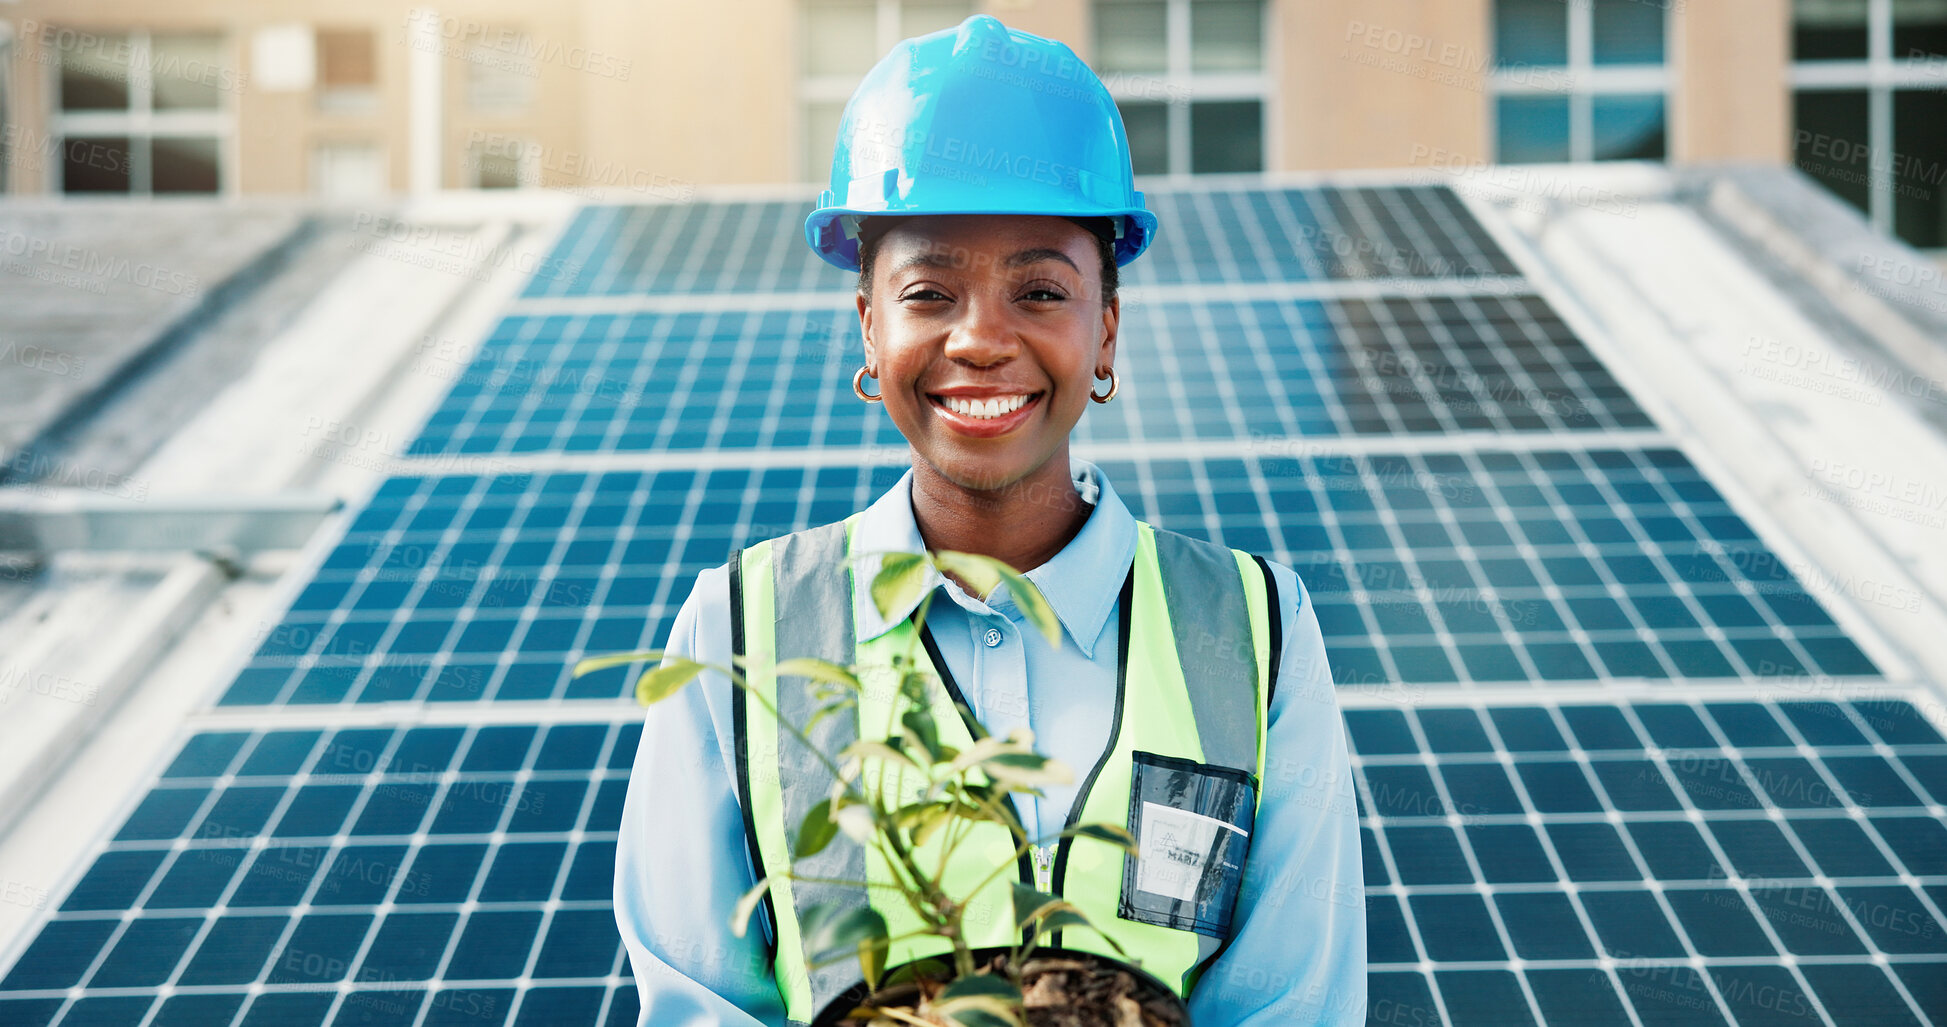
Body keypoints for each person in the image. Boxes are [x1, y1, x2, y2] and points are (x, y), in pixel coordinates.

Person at [614, 15, 1364, 1026]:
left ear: (1106, 326)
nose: (980, 339)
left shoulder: (1256, 627)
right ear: (869, 329)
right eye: (929, 291)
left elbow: (1294, 1003)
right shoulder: (738, 630)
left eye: (1040, 289)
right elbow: (699, 1003)